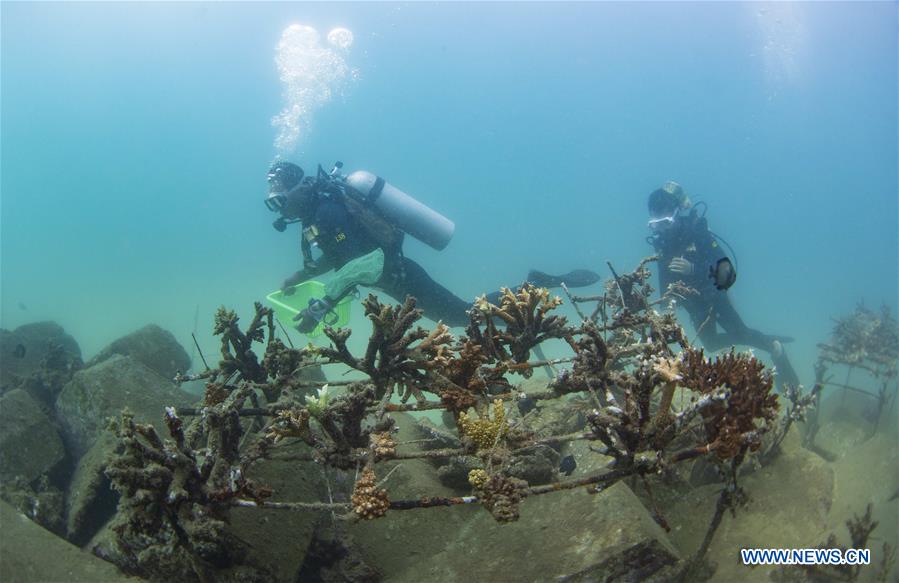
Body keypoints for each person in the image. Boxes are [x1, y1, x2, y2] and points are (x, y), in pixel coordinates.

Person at [265, 160, 599, 333]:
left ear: (297, 190)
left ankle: (534, 286)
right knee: (458, 316)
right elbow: (340, 253)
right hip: (395, 280)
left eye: (280, 200)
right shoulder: (318, 218)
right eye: (274, 203)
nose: (280, 209)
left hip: (401, 276)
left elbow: (367, 261)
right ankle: (526, 297)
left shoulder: (327, 213)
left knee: (461, 314)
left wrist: (322, 304)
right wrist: (297, 276)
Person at [646, 181, 800, 388]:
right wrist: (663, 311)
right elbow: (664, 279)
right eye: (656, 225)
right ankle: (767, 341)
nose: (662, 230)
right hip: (694, 304)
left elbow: (727, 272)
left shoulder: (696, 231)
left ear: (675, 214)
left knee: (742, 334)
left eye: (666, 222)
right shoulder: (662, 243)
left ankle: (775, 348)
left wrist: (694, 269)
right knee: (710, 345)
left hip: (714, 296)